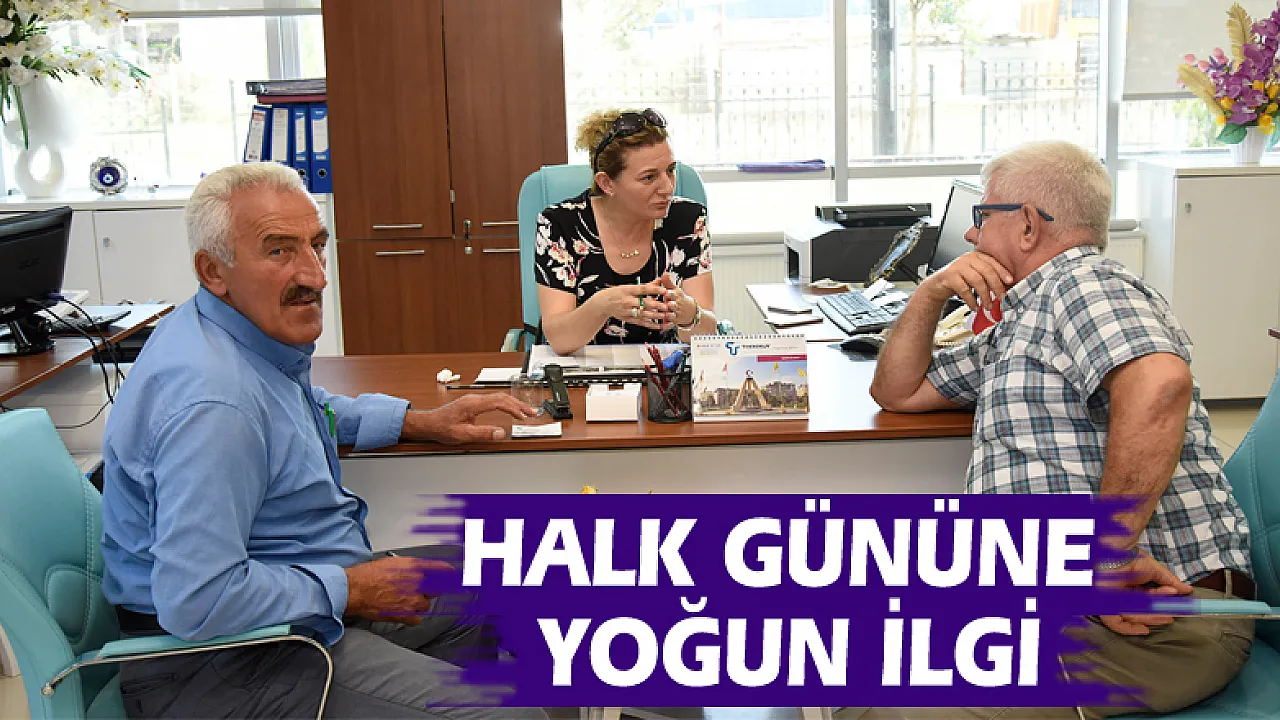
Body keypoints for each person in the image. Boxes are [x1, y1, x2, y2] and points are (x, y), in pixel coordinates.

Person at [99, 162, 545, 719]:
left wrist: (419, 422)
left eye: (316, 244)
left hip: (291, 614)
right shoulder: (215, 406)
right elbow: (197, 599)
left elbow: (299, 412)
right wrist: (352, 590)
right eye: (279, 251)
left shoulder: (233, 339)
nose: (314, 274)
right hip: (224, 662)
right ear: (214, 271)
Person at [867, 141, 1254, 719]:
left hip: (1154, 617)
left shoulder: (1082, 283)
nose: (970, 235)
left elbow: (1159, 385)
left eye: (982, 216)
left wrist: (1106, 552)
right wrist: (932, 291)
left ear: (1027, 225)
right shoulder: (1020, 323)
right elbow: (898, 390)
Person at [535, 108, 718, 354]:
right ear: (606, 183)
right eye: (648, 177)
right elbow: (560, 339)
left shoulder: (688, 220)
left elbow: (706, 335)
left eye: (670, 170)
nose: (667, 187)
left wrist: (688, 314)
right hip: (583, 368)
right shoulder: (560, 225)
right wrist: (603, 305)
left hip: (664, 367)